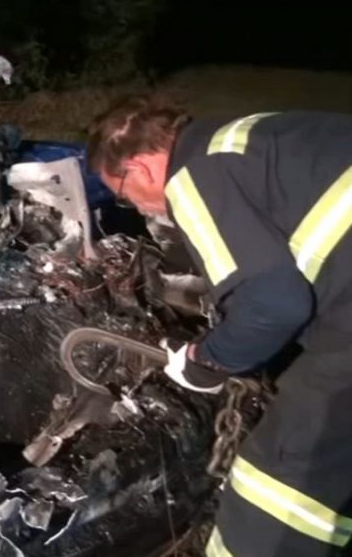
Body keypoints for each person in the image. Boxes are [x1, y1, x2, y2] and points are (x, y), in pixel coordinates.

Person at [85, 95, 352, 557]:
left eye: (124, 196)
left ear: (139, 168)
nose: (140, 209)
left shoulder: (192, 178)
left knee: (277, 483)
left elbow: (272, 305)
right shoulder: (244, 133)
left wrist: (205, 361)